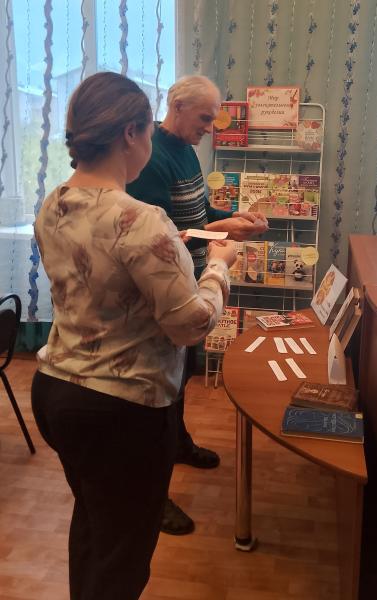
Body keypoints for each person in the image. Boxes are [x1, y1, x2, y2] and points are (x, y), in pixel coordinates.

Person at [31, 72, 236, 600]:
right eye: (146, 131)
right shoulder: (142, 220)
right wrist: (219, 266)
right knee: (123, 557)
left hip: (56, 391)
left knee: (95, 525)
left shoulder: (52, 203)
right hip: (122, 407)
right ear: (130, 133)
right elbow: (189, 324)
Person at [127, 75, 268, 535]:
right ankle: (152, 496)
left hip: (191, 281)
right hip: (169, 290)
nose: (211, 127)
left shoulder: (186, 149)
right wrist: (224, 234)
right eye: (205, 118)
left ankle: (179, 445)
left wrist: (232, 220)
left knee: (182, 377)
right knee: (160, 394)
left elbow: (197, 216)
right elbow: (163, 238)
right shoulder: (152, 160)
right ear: (178, 107)